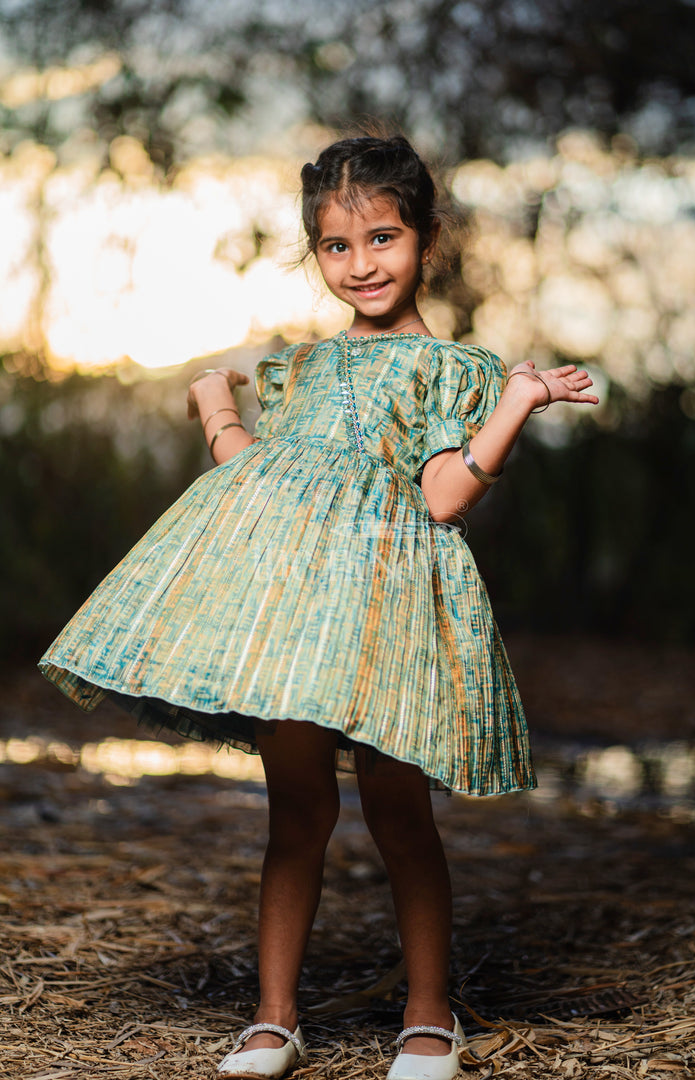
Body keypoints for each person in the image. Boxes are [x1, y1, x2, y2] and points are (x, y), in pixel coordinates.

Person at [39, 134, 598, 1080]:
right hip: (293, 626)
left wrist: (521, 399)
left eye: (383, 238)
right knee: (294, 812)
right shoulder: (297, 370)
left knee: (397, 814)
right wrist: (220, 407)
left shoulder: (453, 370)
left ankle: (428, 1017)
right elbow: (254, 478)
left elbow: (442, 498)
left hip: (386, 618)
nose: (362, 263)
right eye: (337, 246)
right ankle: (274, 1019)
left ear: (426, 240)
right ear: (315, 252)